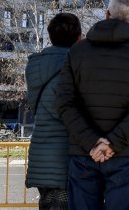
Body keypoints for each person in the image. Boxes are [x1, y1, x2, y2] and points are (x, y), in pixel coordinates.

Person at [55, 0, 129, 210]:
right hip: (126, 152)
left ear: (107, 14)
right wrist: (112, 142)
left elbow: (65, 103)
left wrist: (93, 142)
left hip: (84, 152)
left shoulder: (77, 52)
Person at [24, 12, 83, 210]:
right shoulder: (75, 65)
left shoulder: (34, 66)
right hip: (65, 155)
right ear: (79, 37)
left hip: (40, 151)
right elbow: (67, 112)